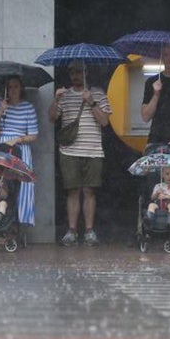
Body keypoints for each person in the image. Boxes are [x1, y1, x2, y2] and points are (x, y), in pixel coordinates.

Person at [48, 60, 112, 246]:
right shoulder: (64, 94)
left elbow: (105, 122)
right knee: (72, 191)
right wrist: (56, 100)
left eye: (78, 72)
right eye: (72, 72)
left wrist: (91, 102)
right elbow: (52, 118)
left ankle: (90, 231)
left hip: (93, 150)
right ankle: (72, 231)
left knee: (89, 191)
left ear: (86, 73)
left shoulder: (98, 93)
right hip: (69, 151)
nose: (75, 76)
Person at [0, 76, 38, 227]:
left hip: (21, 148)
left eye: (16, 86)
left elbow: (33, 135)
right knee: (1, 184)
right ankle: (2, 223)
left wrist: (18, 140)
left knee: (23, 185)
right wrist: (1, 111)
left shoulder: (28, 107)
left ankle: (19, 223)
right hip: (2, 148)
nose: (13, 90)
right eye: (10, 87)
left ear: (21, 89)